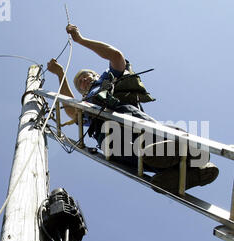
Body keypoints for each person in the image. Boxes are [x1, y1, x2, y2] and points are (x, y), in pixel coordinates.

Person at [46, 23, 219, 193]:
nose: (84, 80)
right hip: (109, 138)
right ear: (82, 91)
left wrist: (80, 39)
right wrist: (61, 74)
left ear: (96, 75)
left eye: (86, 76)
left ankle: (193, 153)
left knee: (154, 139)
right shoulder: (86, 106)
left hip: (124, 116)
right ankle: (189, 173)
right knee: (140, 156)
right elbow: (71, 111)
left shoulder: (108, 78)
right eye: (80, 83)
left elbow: (116, 56)